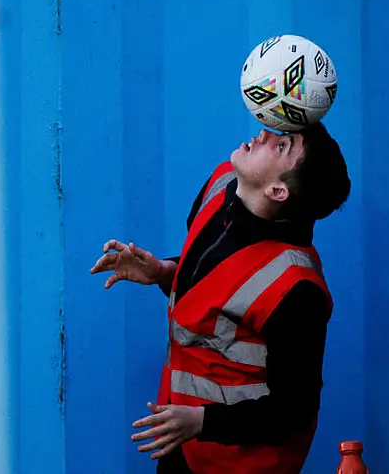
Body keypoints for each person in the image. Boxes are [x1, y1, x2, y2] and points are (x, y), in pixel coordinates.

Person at [90, 121, 351, 474]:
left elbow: (293, 413)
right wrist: (164, 272)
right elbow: (218, 284)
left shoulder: (297, 289)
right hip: (181, 439)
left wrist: (201, 421)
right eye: (276, 128)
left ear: (278, 191)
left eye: (282, 145)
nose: (264, 134)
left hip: (240, 463)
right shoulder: (222, 182)